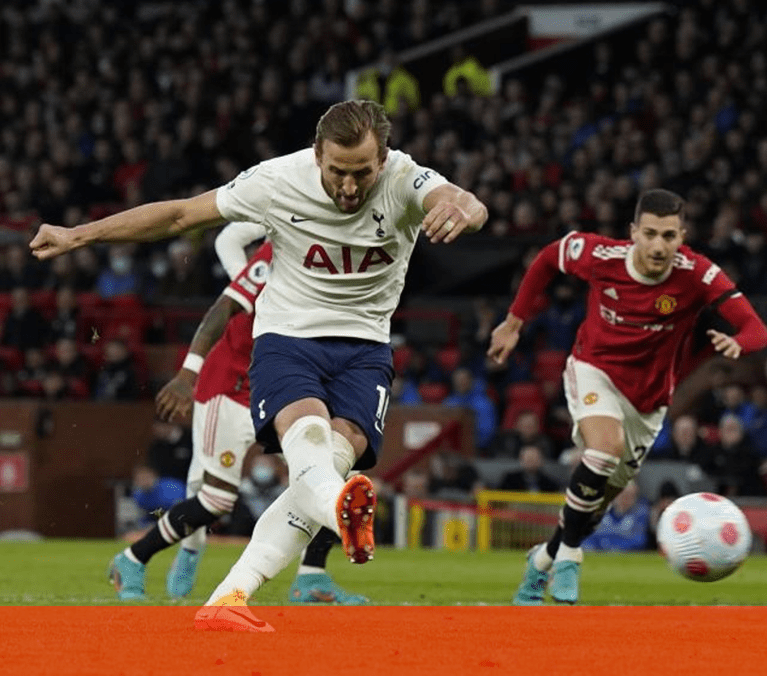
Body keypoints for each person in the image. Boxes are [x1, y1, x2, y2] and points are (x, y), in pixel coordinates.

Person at [30, 99, 487, 631]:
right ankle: (339, 509)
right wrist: (79, 234)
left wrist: (465, 211)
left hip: (366, 350)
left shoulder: (405, 179)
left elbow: (461, 200)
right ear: (316, 155)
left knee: (322, 472)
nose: (347, 187)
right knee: (310, 447)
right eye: (336, 172)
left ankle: (229, 598)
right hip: (288, 339)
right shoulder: (276, 180)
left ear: (382, 160)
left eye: (361, 173)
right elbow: (180, 214)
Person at [488, 188, 767, 605]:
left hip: (649, 401)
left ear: (682, 236)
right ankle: (570, 559)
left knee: (593, 506)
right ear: (633, 232)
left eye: (670, 236)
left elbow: (757, 329)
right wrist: (514, 322)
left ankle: (542, 561)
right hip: (593, 370)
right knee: (604, 450)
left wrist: (739, 344)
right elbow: (549, 256)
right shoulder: (601, 256)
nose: (659, 246)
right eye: (651, 233)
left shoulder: (697, 273)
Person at [106, 232, 367, 605]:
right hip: (228, 389)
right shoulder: (280, 250)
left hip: (277, 392)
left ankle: (311, 577)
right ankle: (132, 559)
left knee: (328, 475)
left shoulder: (338, 270)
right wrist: (187, 374)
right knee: (214, 500)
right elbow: (229, 248)